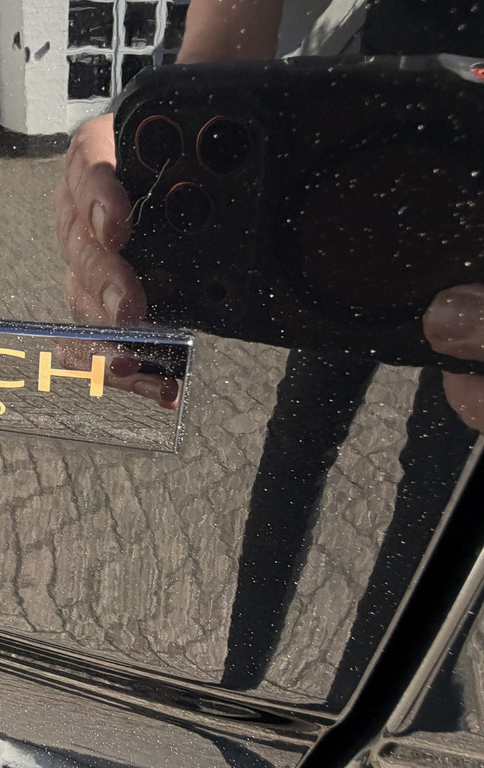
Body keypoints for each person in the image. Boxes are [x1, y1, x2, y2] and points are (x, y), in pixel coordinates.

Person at [54, 0, 484, 704]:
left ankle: (356, 706)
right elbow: (219, 51)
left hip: (345, 197)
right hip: (337, 194)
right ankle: (259, 686)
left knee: (409, 480)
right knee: (374, 468)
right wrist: (141, 144)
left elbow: (221, 46)